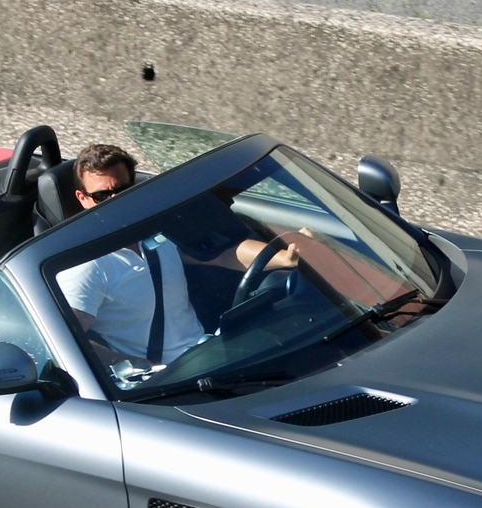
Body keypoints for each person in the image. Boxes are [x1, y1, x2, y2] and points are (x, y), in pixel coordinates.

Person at [53, 145, 302, 380]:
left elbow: (223, 253)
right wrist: (128, 362)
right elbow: (66, 337)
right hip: (167, 379)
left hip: (208, 353)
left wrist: (282, 257)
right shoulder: (89, 267)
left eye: (123, 191)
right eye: (103, 196)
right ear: (83, 199)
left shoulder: (157, 232)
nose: (116, 201)